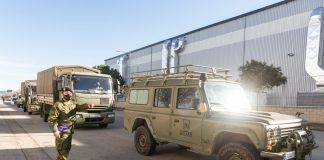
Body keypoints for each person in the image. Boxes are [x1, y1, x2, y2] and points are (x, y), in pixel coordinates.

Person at [48, 87, 94, 160]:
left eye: (69, 92)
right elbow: (52, 118)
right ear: (63, 94)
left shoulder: (73, 103)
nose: (68, 94)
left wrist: (87, 105)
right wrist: (55, 130)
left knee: (66, 150)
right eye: (65, 93)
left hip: (69, 129)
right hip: (62, 129)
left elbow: (79, 107)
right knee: (62, 151)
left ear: (71, 94)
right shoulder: (58, 104)